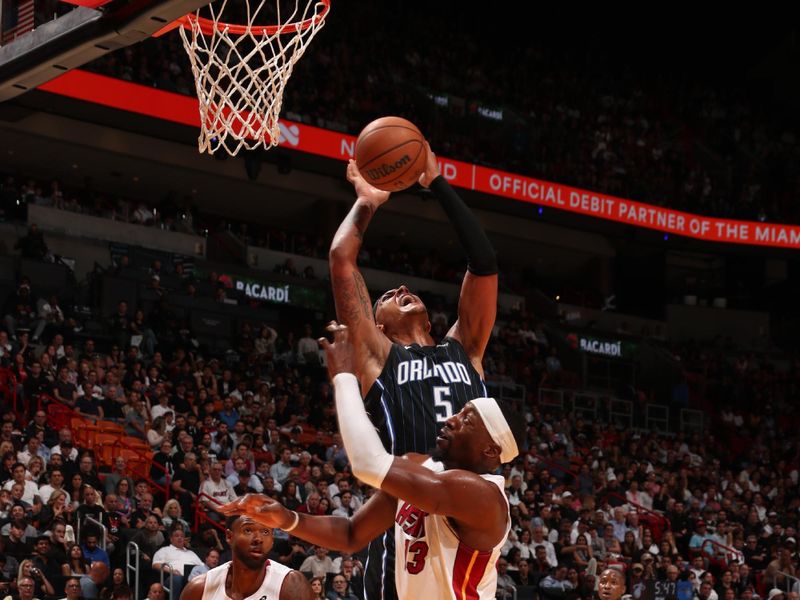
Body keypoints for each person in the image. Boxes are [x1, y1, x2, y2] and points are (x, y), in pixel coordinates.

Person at [220, 323, 525, 600]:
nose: (452, 418)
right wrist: (287, 518)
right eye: (460, 411)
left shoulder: (482, 496)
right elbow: (351, 534)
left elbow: (368, 463)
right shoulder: (422, 470)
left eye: (467, 419)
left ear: (490, 450)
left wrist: (343, 378)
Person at [331, 147, 498, 599]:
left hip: (464, 513)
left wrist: (437, 184)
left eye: (407, 290)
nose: (402, 288)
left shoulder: (466, 348)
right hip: (402, 524)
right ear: (377, 323)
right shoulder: (377, 355)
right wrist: (366, 202)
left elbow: (483, 263)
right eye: (388, 294)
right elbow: (342, 261)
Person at [178, 514, 312, 600]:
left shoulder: (291, 585)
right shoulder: (199, 589)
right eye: (248, 530)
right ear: (229, 537)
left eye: (265, 532)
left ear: (272, 541)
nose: (258, 539)